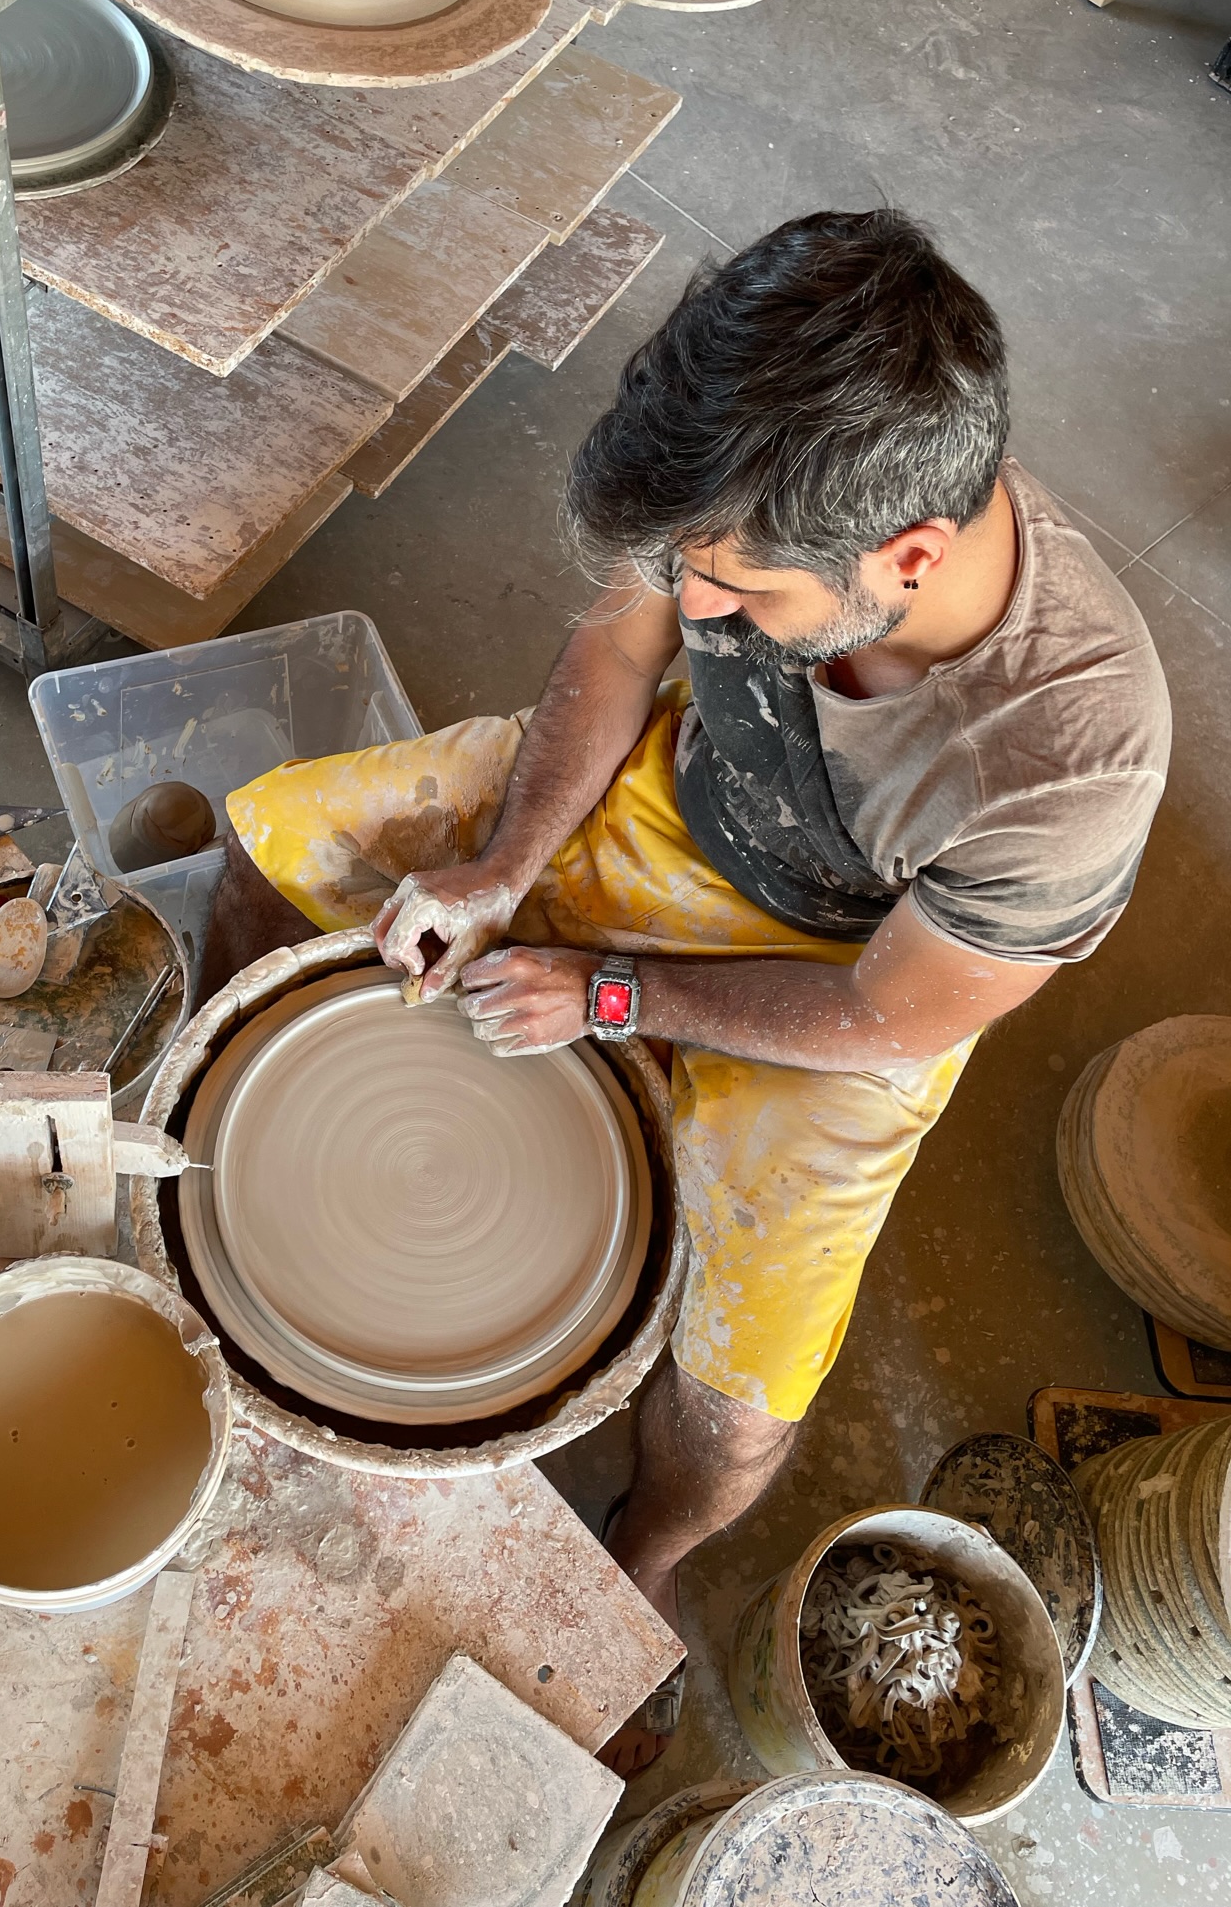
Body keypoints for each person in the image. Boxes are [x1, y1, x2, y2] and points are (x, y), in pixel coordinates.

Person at [200, 209, 1171, 1775]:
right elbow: (616, 642)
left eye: (736, 600)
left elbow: (898, 1017)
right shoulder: (750, 494)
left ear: (905, 564)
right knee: (271, 846)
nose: (700, 613)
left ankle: (636, 1557)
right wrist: (510, 868)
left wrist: (609, 999)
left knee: (739, 1395)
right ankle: (209, 1147)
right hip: (667, 804)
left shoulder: (1069, 761)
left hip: (844, 977)